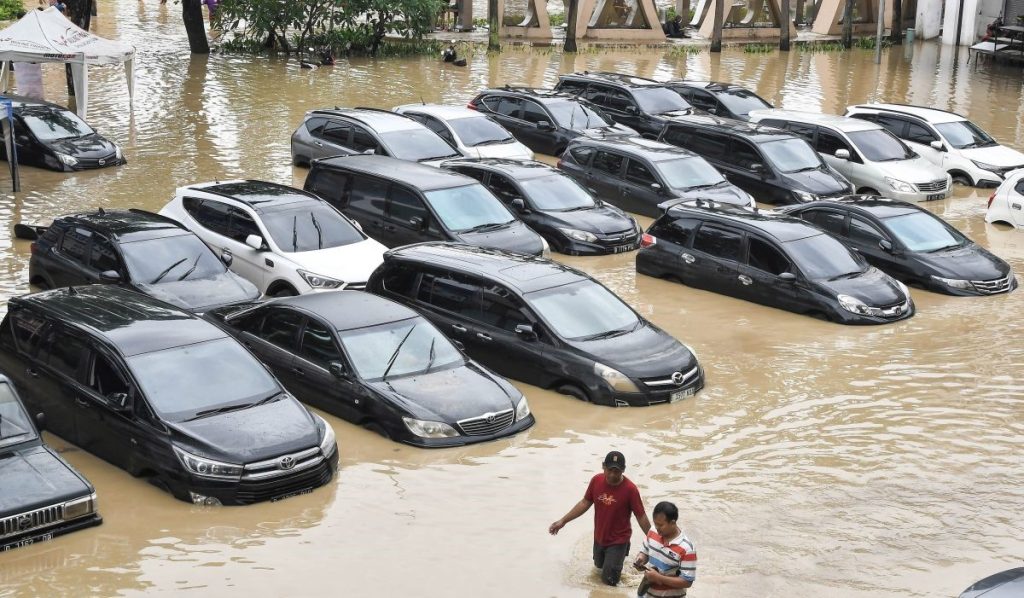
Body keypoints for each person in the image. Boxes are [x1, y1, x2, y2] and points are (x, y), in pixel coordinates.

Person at [549, 451, 651, 586]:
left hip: (618, 541)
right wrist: (563, 521)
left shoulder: (630, 490)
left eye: (617, 471)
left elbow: (641, 516)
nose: (613, 475)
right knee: (598, 571)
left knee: (609, 582)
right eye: (609, 470)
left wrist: (654, 539)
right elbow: (584, 503)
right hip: (599, 539)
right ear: (603, 466)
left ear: (623, 470)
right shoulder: (596, 481)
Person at [633, 501, 697, 597]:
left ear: (672, 523)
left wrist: (659, 578)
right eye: (655, 524)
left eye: (661, 525)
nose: (657, 528)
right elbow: (645, 552)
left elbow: (687, 582)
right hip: (647, 594)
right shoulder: (652, 531)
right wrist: (641, 559)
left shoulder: (687, 549)